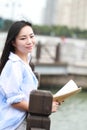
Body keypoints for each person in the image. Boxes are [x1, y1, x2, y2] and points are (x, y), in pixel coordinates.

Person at [0, 20, 59, 130]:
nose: (29, 41)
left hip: (20, 120)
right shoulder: (14, 65)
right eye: (23, 38)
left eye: (31, 36)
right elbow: (15, 101)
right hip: (13, 124)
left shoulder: (26, 60)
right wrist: (43, 108)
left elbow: (25, 94)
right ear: (13, 42)